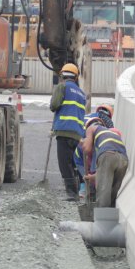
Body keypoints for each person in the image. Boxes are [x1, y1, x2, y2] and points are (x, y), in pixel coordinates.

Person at [49, 62, 87, 196]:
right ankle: (79, 189)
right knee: (74, 162)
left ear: (62, 75)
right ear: (76, 77)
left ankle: (72, 194)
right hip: (77, 133)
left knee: (65, 164)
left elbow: (54, 105)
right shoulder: (82, 94)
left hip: (64, 131)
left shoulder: (62, 87)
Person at [82, 115, 129, 208]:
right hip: (123, 160)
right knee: (112, 192)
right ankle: (110, 219)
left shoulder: (91, 128)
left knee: (103, 193)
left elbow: (87, 148)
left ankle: (101, 220)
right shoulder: (108, 134)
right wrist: (93, 177)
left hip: (108, 154)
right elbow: (107, 169)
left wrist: (85, 143)